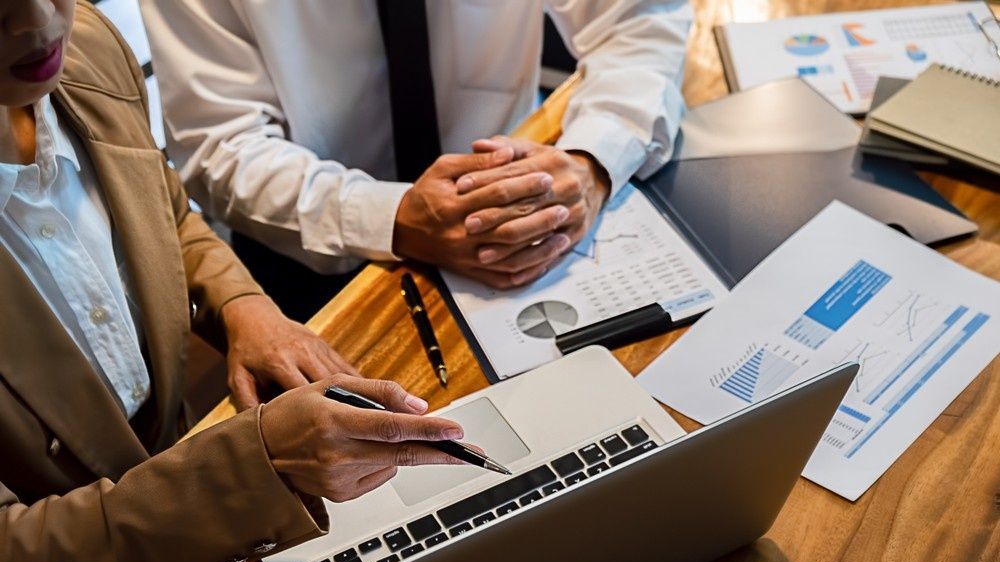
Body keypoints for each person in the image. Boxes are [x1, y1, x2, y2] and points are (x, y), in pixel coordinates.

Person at [0, 0, 476, 562]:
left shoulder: (84, 50)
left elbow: (165, 211)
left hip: (195, 544)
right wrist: (252, 466)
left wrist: (241, 305)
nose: (38, 21)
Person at [140, 0, 693, 320]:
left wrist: (593, 160)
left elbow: (638, 18)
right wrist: (392, 216)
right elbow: (220, 143)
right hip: (315, 250)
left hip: (519, 212)